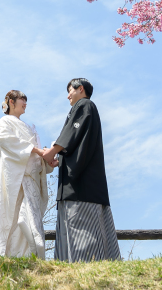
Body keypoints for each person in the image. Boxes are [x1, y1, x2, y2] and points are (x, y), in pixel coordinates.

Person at [41, 78, 121, 262]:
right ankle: (80, 266)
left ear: (81, 89)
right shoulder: (87, 110)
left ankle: (84, 265)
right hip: (85, 183)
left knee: (83, 229)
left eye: (70, 90)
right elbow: (79, 145)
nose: (68, 95)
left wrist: (52, 152)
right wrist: (60, 160)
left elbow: (71, 134)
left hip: (82, 187)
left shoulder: (85, 105)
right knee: (85, 228)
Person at [0, 90, 57, 257]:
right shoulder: (5, 122)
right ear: (11, 102)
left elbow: (33, 153)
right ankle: (11, 254)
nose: (25, 103)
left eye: (25, 100)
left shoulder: (28, 127)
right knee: (17, 217)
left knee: (30, 218)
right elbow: (7, 140)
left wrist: (47, 160)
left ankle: (28, 255)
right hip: (18, 179)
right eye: (22, 99)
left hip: (31, 180)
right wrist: (37, 150)